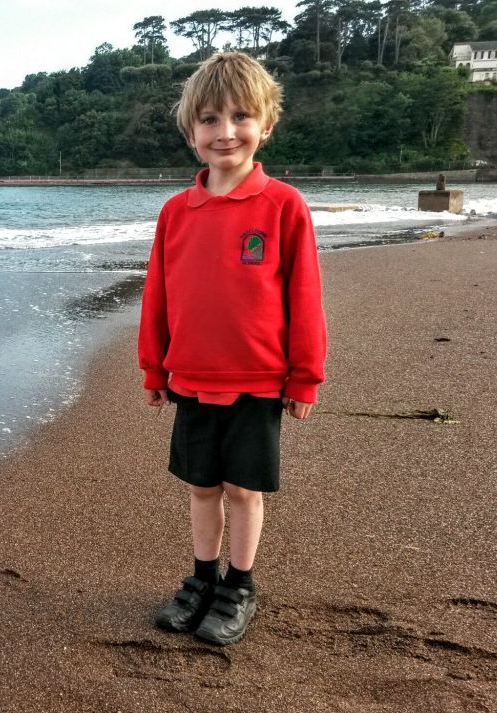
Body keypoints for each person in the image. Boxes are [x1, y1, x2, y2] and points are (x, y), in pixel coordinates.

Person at [137, 52, 327, 646]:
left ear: (265, 125)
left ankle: (239, 585)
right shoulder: (176, 211)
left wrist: (305, 377)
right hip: (191, 376)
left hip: (259, 378)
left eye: (241, 116)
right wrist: (154, 368)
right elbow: (158, 296)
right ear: (192, 132)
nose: (226, 132)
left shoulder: (283, 206)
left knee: (243, 490)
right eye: (211, 119)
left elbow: (305, 295)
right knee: (201, 487)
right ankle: (200, 579)